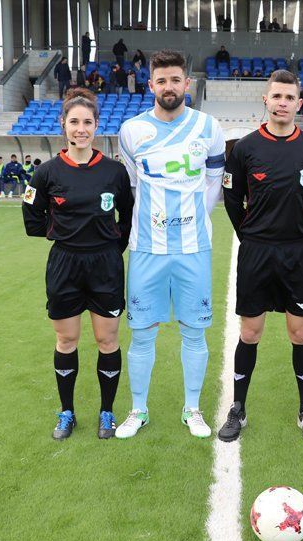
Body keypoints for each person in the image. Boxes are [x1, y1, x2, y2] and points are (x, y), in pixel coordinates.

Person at [115, 49, 226, 439]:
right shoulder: (131, 131)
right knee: (142, 332)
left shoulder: (208, 127)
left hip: (194, 248)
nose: (168, 87)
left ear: (187, 84)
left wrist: (197, 216)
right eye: (161, 81)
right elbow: (131, 184)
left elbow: (214, 179)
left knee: (194, 332)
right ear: (151, 86)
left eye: (175, 79)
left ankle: (192, 409)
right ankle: (138, 409)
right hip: (147, 247)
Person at [217, 70, 303, 443]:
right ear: (265, 101)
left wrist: (299, 226)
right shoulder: (246, 147)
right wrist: (248, 234)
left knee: (300, 333)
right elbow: (232, 199)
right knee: (250, 332)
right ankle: (238, 409)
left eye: (289, 97)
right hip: (257, 252)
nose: (282, 102)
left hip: (298, 252)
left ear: (299, 103)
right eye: (276, 96)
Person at [22, 87, 133, 440]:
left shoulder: (114, 172)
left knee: (107, 340)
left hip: (105, 264)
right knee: (66, 340)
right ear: (63, 125)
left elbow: (128, 216)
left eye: (87, 122)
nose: (80, 128)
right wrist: (63, 234)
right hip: (65, 264)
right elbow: (32, 216)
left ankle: (106, 412)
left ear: (97, 126)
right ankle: (66, 412)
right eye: (74, 122)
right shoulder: (46, 173)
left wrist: (112, 247)